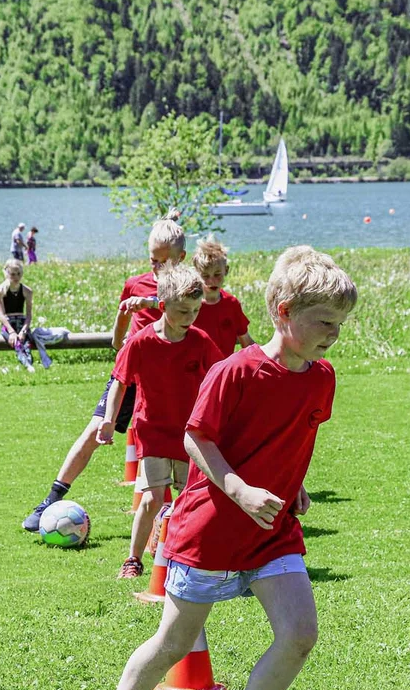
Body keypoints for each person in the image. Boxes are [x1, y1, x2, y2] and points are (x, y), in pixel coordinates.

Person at [83, 246, 357, 690]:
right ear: (282, 310)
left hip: (271, 534)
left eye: (341, 323)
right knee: (173, 644)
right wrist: (239, 488)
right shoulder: (236, 370)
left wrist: (293, 483)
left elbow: (292, 435)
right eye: (324, 321)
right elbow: (196, 437)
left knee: (300, 634)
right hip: (208, 531)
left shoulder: (322, 378)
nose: (334, 332)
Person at [20, 216, 189, 532]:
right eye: (153, 260)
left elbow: (183, 306)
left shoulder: (189, 291)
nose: (156, 268)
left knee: (192, 445)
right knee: (94, 430)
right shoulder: (135, 284)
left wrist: (152, 302)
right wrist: (125, 326)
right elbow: (116, 340)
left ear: (181, 259)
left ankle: (195, 514)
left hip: (174, 383)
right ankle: (51, 498)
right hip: (133, 377)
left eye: (164, 262)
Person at [98, 263, 225, 580]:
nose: (190, 318)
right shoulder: (141, 342)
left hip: (189, 436)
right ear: (163, 306)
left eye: (195, 311)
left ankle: (184, 558)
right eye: (183, 311)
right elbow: (119, 382)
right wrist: (108, 420)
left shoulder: (200, 341)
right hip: (151, 431)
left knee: (187, 499)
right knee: (153, 498)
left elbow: (224, 378)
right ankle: (133, 559)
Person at [193, 237, 256, 350]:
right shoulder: (189, 305)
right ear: (196, 274)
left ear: (226, 270)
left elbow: (246, 342)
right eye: (205, 276)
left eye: (217, 274)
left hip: (224, 367)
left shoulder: (231, 304)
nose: (212, 281)